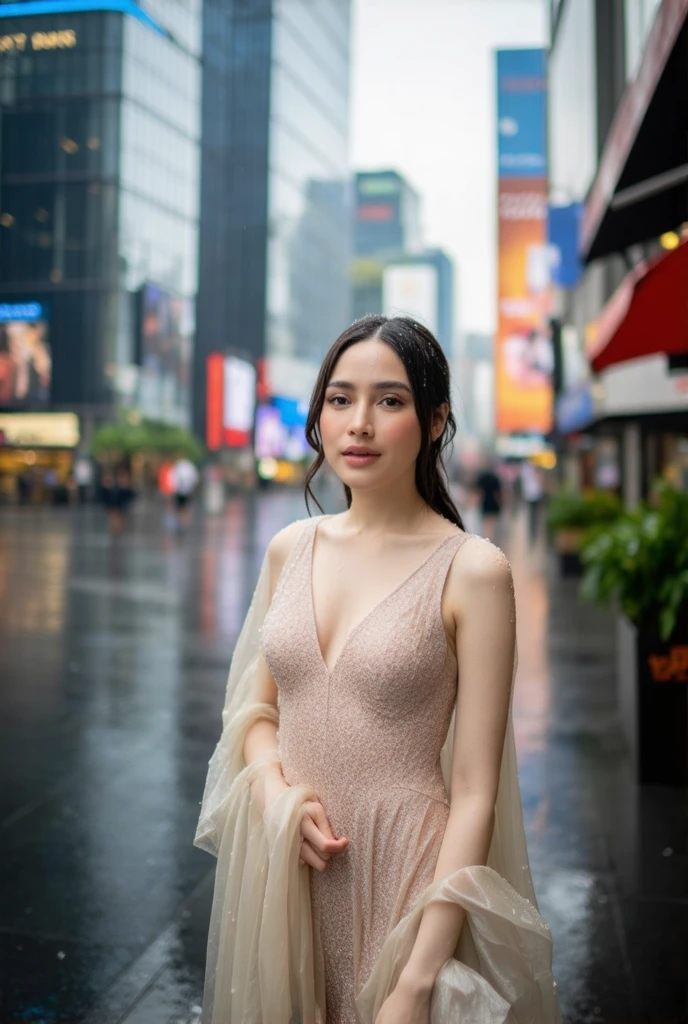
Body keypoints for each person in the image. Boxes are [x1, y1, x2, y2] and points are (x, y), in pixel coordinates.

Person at [195, 316, 560, 1024]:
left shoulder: (472, 570)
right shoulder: (288, 549)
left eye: (389, 401)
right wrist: (273, 792)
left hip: (408, 882)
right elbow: (254, 711)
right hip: (288, 879)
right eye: (340, 399)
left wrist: (419, 978)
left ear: (434, 420)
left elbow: (476, 790)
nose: (358, 423)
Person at [474, 459, 503, 541]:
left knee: (485, 523)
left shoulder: (482, 477)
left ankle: (486, 537)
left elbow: (479, 492)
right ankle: (490, 537)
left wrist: (477, 502)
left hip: (485, 502)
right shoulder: (495, 478)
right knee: (491, 523)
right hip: (493, 503)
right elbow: (498, 493)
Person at [170, 454, 199, 530]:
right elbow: (194, 478)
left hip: (182, 490)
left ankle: (182, 521)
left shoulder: (179, 466)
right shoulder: (188, 466)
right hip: (184, 490)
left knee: (182, 507)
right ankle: (183, 521)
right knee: (183, 507)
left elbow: (173, 478)